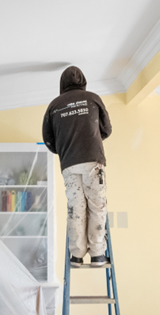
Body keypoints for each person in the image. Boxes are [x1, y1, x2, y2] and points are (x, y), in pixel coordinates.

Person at [42, 66, 112, 267]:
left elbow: (48, 139)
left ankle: (77, 256)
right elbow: (106, 130)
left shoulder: (54, 106)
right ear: (83, 81)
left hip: (69, 164)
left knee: (76, 207)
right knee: (96, 205)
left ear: (62, 84)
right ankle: (98, 255)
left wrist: (64, 150)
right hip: (93, 160)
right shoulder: (93, 98)